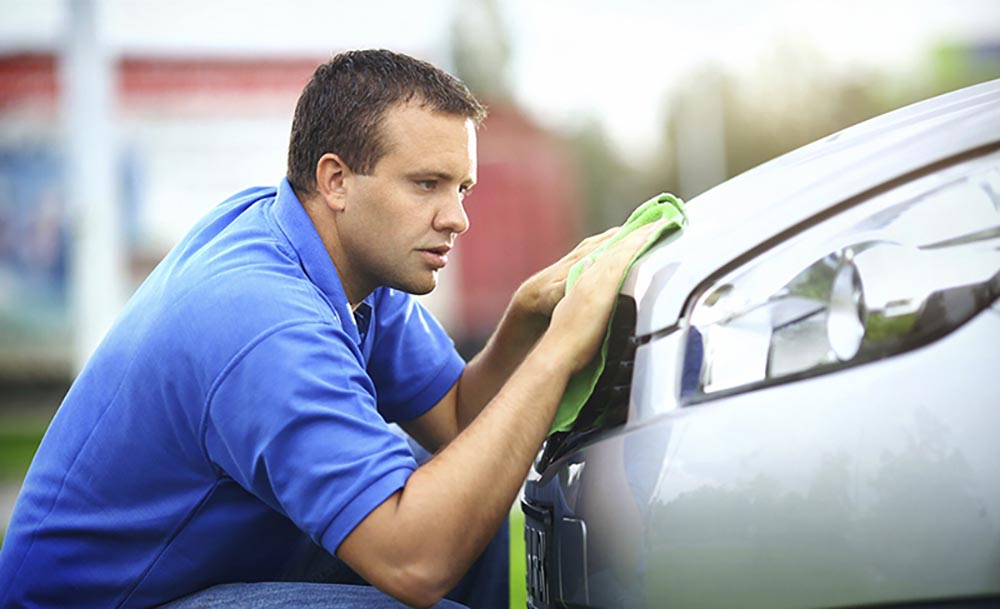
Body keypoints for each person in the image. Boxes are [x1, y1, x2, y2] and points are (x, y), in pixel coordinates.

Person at [0, 49, 663, 609]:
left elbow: (462, 418)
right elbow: (416, 558)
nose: (457, 217)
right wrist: (557, 354)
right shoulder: (261, 321)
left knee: (468, 492)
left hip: (203, 574)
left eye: (462, 188)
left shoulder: (342, 252)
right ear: (336, 179)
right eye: (427, 184)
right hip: (101, 602)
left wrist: (523, 319)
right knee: (438, 537)